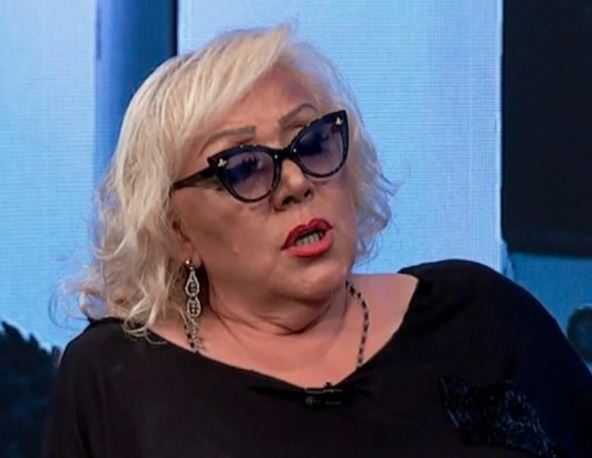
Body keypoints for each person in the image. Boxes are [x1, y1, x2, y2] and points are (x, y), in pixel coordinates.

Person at [43, 25, 592, 457]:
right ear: (176, 228)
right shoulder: (115, 378)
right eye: (245, 168)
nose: (296, 182)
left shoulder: (480, 313)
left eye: (311, 142)